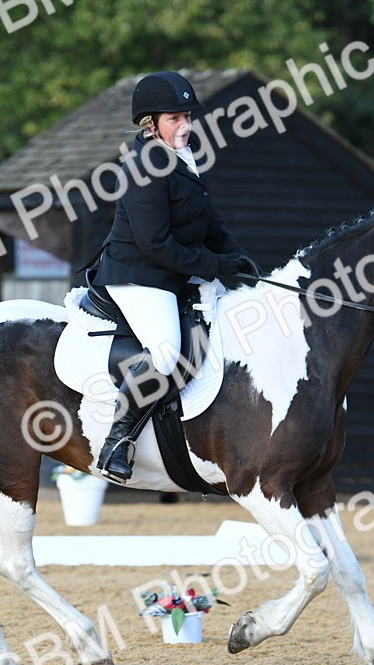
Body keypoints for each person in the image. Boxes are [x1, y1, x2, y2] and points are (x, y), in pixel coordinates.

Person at [90, 71, 255, 483]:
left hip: (174, 271)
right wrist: (216, 266)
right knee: (167, 354)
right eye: (175, 119)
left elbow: (208, 218)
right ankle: (118, 440)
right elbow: (156, 244)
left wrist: (236, 254)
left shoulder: (182, 156)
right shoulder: (144, 167)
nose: (185, 126)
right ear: (151, 124)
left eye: (187, 117)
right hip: (140, 275)